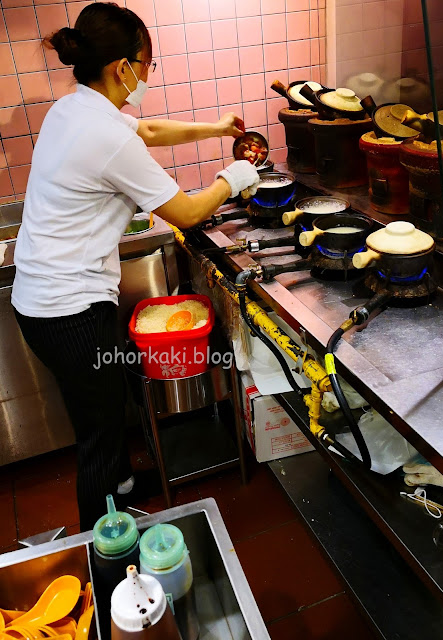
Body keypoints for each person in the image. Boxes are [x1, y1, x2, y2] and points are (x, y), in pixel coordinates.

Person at [12, 2, 259, 531]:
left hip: (45, 306)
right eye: (146, 65)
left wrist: (215, 128)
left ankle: (121, 490)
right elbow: (188, 212)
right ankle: (105, 554)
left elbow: (146, 130)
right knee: (97, 436)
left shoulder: (73, 109)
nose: (147, 75)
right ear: (122, 67)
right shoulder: (105, 136)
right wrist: (234, 176)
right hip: (69, 314)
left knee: (105, 403)